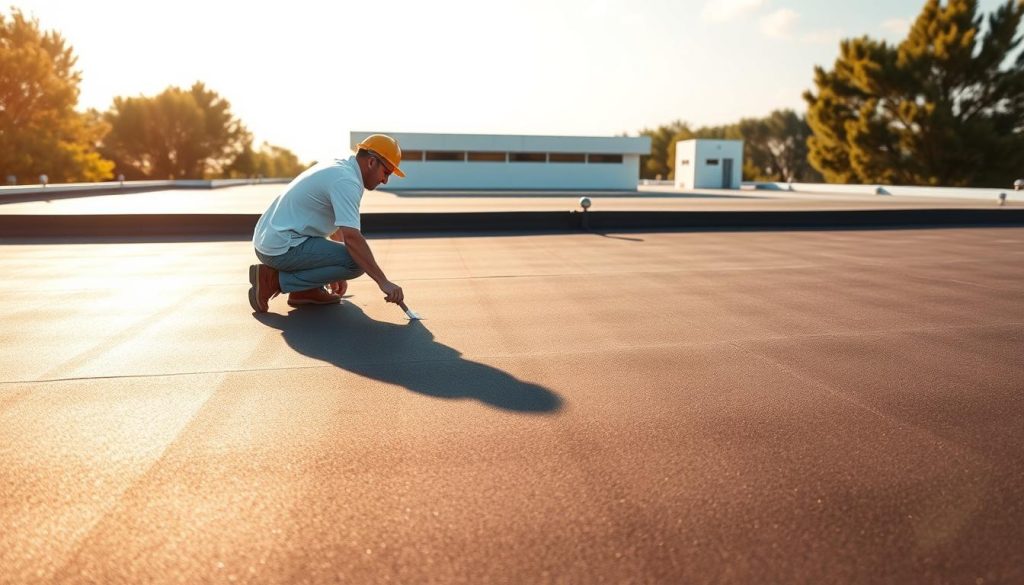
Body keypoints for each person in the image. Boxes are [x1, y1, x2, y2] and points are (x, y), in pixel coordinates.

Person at [248, 134, 406, 313]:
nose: (385, 180)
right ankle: (272, 281)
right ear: (371, 162)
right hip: (281, 247)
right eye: (386, 172)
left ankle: (305, 291)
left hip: (272, 239)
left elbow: (338, 227)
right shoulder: (347, 181)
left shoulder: (341, 167)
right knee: (356, 263)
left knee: (349, 257)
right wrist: (384, 282)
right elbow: (352, 239)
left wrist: (334, 270)